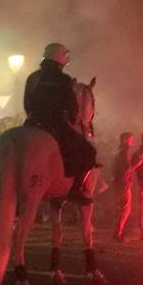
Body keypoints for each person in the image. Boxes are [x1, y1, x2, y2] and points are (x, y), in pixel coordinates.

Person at [24, 43, 95, 205]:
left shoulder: (33, 77)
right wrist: (72, 118)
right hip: (55, 124)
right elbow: (72, 105)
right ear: (60, 57)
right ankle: (76, 189)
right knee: (88, 151)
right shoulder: (64, 79)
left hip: (32, 122)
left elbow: (27, 102)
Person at [112, 132, 143, 242]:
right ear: (125, 140)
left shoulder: (118, 152)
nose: (132, 142)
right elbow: (127, 170)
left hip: (117, 183)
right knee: (125, 210)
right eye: (131, 139)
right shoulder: (125, 153)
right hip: (123, 183)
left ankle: (117, 232)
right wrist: (137, 164)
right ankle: (118, 233)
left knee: (120, 209)